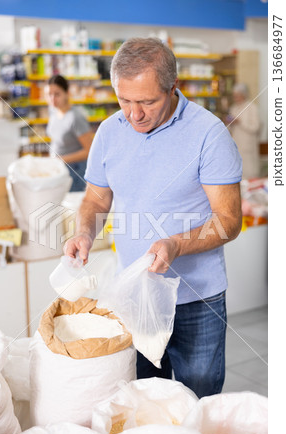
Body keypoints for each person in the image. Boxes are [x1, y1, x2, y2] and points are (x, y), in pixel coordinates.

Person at [64, 38, 242, 398]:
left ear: (173, 87)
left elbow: (229, 219)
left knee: (198, 400)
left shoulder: (208, 133)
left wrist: (176, 244)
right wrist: (84, 231)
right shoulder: (110, 131)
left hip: (196, 301)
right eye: (125, 100)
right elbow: (96, 200)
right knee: (142, 400)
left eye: (147, 101)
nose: (134, 114)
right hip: (134, 298)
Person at [45, 75, 93, 191]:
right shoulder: (53, 112)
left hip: (75, 171)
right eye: (49, 94)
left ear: (67, 93)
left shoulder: (75, 118)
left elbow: (89, 151)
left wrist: (61, 159)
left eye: (57, 94)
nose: (52, 99)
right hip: (59, 169)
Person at [226, 83, 260, 179]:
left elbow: (255, 127)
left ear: (243, 95)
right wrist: (229, 122)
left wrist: (240, 122)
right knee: (238, 173)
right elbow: (230, 128)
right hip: (236, 144)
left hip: (248, 146)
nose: (235, 98)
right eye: (234, 96)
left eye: (237, 96)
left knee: (249, 173)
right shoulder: (233, 107)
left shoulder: (252, 107)